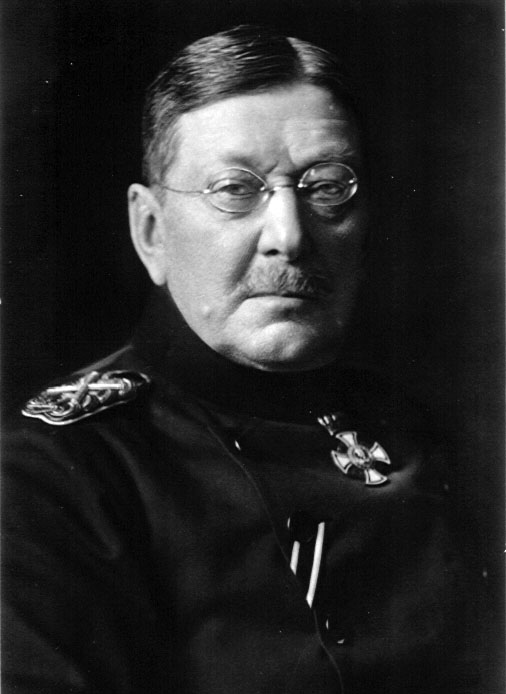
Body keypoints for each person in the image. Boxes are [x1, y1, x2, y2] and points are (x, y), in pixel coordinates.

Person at [2, 25, 492, 694]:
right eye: (235, 189)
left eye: (327, 187)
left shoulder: (431, 437)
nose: (289, 236)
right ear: (151, 231)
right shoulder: (56, 476)